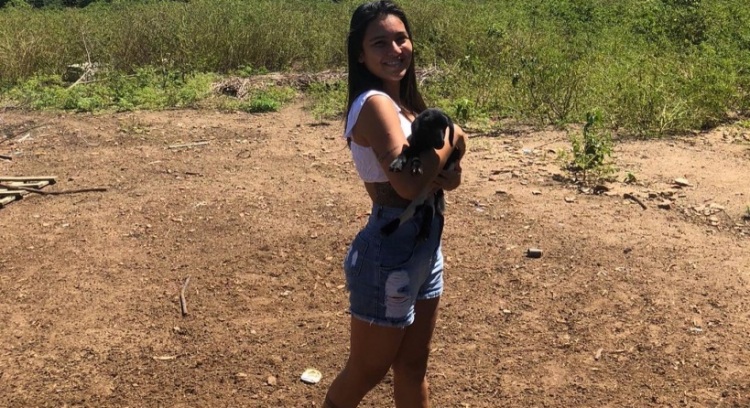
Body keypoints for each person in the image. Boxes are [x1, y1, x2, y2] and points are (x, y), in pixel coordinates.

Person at [322, 2, 467, 408]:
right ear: (360, 54)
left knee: (412, 365)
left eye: (401, 38)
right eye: (379, 43)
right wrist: (453, 136)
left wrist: (449, 170)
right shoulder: (374, 104)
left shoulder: (406, 105)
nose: (394, 50)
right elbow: (406, 184)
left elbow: (436, 175)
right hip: (390, 250)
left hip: (423, 245)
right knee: (366, 370)